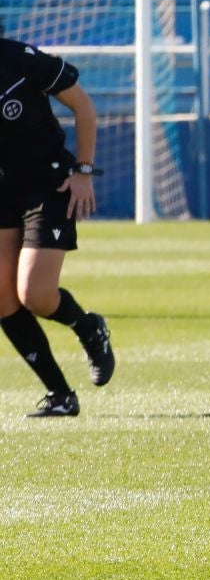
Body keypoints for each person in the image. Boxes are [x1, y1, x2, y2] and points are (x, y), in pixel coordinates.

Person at [0, 32, 113, 417]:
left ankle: (88, 327)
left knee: (35, 295)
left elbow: (83, 106)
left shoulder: (22, 59)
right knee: (2, 297)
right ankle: (60, 395)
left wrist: (83, 171)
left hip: (47, 184)